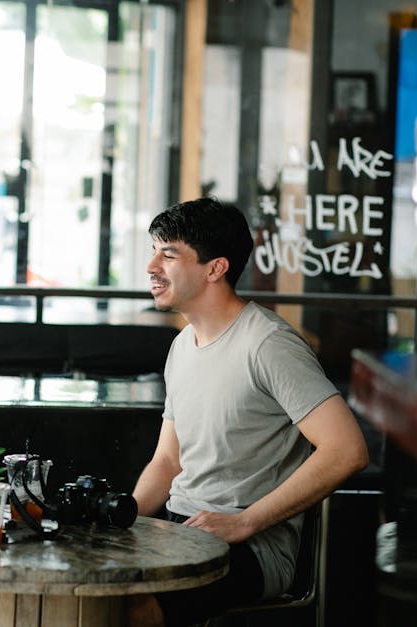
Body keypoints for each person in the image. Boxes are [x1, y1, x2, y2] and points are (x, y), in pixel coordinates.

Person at [127, 197, 369, 626]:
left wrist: (245, 523)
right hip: (178, 530)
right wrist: (121, 516)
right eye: (153, 251)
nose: (151, 267)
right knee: (85, 588)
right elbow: (168, 461)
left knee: (132, 607)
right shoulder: (182, 345)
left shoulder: (268, 344)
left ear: (215, 268)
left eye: (168, 254)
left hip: (251, 548)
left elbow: (347, 450)